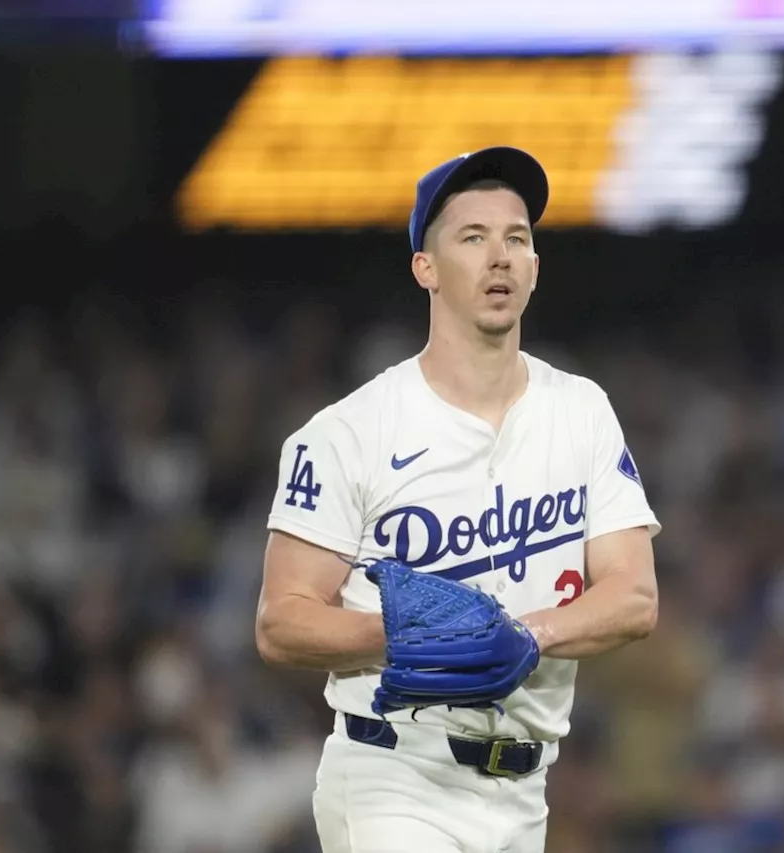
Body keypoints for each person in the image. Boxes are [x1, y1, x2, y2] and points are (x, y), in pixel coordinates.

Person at [255, 146, 662, 853]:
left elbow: (635, 596)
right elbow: (280, 622)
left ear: (535, 267)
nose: (499, 256)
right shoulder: (349, 431)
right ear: (427, 268)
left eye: (517, 238)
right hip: (397, 773)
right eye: (472, 238)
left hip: (525, 792)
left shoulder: (581, 410)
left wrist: (530, 634)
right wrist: (417, 635)